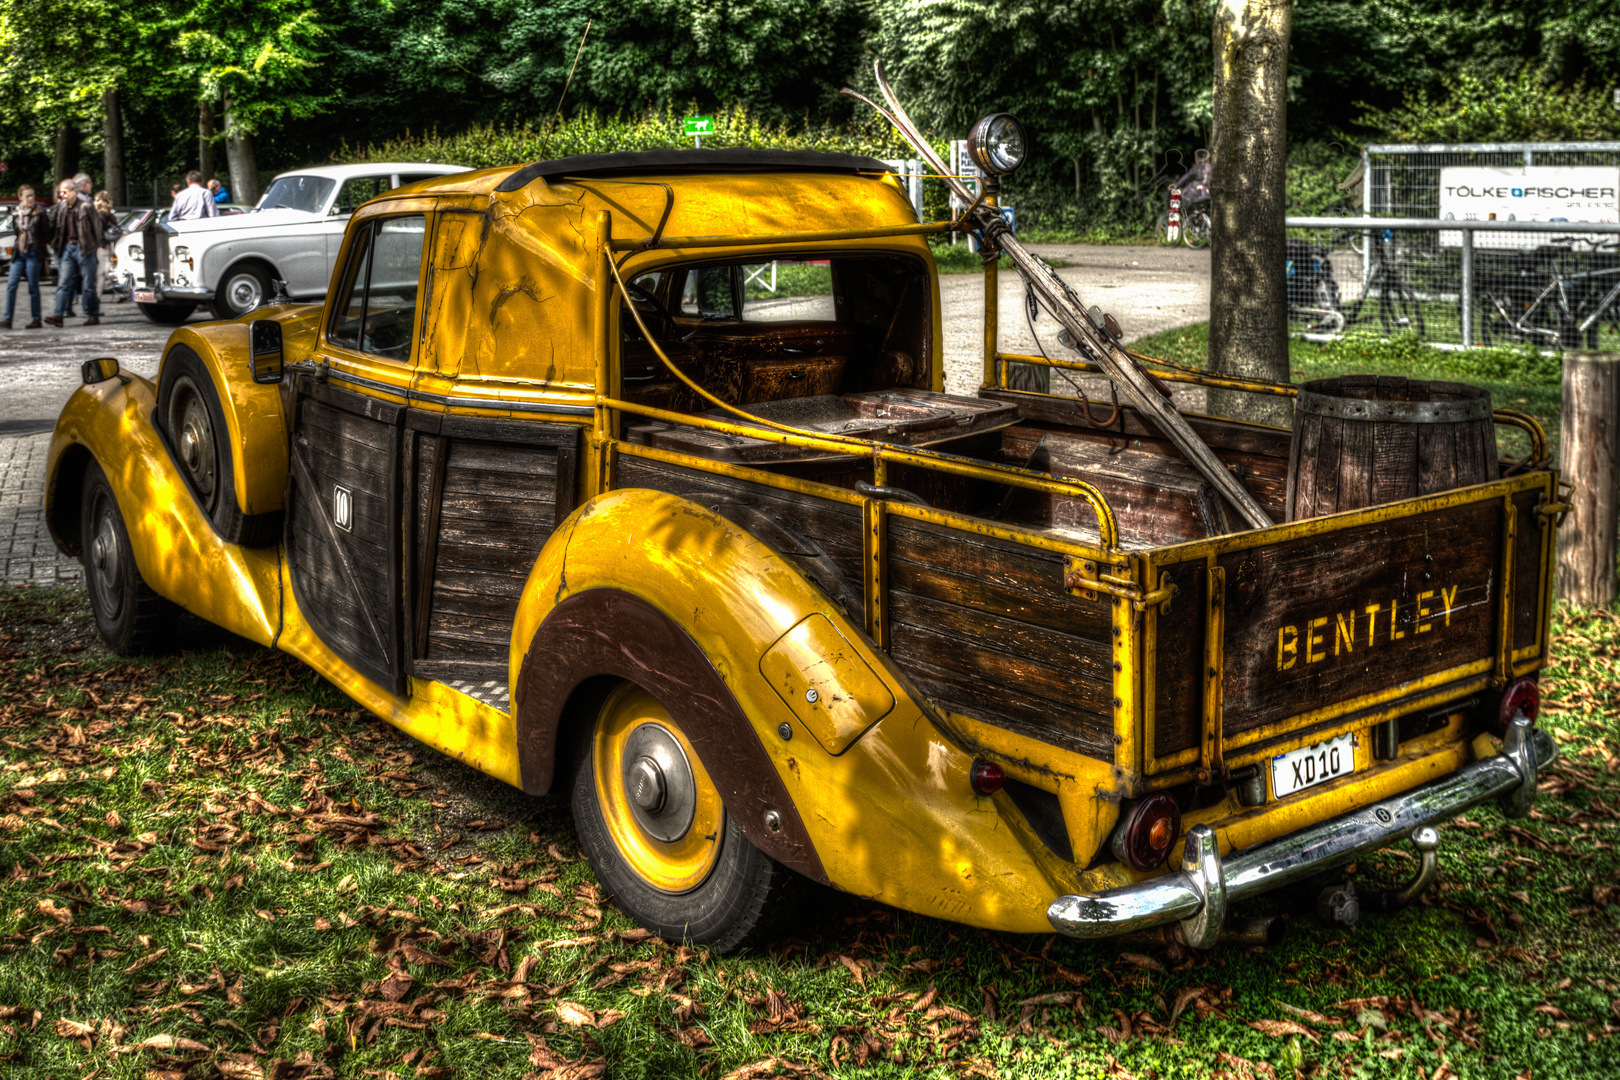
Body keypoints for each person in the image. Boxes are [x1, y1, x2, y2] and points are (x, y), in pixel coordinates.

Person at [42, 177, 103, 327]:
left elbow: (97, 228)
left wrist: (95, 247)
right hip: (68, 248)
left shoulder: (86, 207)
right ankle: (58, 315)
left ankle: (92, 315)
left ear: (74, 192)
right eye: (61, 192)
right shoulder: (62, 208)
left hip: (85, 249)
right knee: (64, 282)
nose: (62, 195)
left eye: (65, 192)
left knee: (88, 284)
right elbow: (59, 229)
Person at [2, 185, 47, 329]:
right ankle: (7, 319)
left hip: (34, 252)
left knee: (33, 287)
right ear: (20, 197)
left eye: (32, 195)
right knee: (11, 286)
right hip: (19, 253)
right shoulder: (16, 213)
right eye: (27, 196)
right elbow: (16, 232)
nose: (31, 199)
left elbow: (46, 232)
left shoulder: (40, 212)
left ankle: (36, 319)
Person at [93, 190, 120, 301]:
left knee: (105, 271)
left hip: (102, 246)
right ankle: (116, 293)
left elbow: (99, 233)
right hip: (109, 244)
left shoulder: (99, 216)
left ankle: (117, 292)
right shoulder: (110, 215)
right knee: (104, 271)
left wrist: (103, 244)